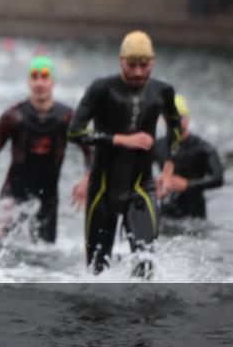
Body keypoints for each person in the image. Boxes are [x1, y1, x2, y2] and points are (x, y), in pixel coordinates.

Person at [68, 30, 181, 277]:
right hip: (103, 189)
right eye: (132, 65)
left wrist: (169, 169)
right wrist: (121, 139)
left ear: (153, 61)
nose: (138, 72)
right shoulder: (101, 88)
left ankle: (139, 315)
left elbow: (175, 126)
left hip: (141, 186)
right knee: (97, 271)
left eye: (144, 64)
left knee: (145, 263)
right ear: (121, 61)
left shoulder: (163, 91)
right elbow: (74, 132)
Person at [0, 56, 91, 243]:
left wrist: (87, 178)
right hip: (13, 198)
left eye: (44, 77)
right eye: (34, 77)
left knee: (44, 258)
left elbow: (91, 151)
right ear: (28, 81)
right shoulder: (13, 116)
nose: (39, 83)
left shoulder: (67, 117)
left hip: (48, 200)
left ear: (53, 81)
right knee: (0, 249)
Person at [152, 94, 223, 220]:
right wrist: (154, 184)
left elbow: (218, 178)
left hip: (194, 215)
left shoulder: (203, 148)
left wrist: (188, 184)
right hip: (165, 213)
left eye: (180, 117)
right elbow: (139, 171)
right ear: (163, 119)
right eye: (170, 117)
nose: (175, 121)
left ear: (188, 119)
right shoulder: (157, 145)